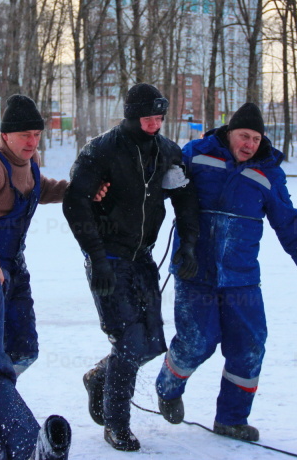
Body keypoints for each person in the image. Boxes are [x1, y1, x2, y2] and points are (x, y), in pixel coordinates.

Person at [154, 102, 297, 442]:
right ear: (229, 132)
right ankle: (169, 387)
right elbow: (163, 187)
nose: (248, 144)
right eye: (243, 136)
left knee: (249, 346)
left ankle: (231, 419)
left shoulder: (267, 172)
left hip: (242, 278)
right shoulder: (198, 154)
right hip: (194, 272)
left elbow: (290, 225)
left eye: (255, 138)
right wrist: (165, 182)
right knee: (195, 342)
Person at [62, 83, 199, 452]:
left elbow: (186, 201)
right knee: (128, 338)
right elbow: (75, 203)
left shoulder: (167, 153)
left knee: (152, 341)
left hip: (142, 256)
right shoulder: (102, 150)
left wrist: (187, 243)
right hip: (108, 254)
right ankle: (115, 423)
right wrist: (96, 256)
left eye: (159, 117)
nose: (154, 124)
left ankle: (98, 379)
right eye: (147, 117)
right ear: (131, 115)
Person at [0, 94, 84, 458]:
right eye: (24, 134)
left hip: (12, 263)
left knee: (23, 349)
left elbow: (38, 190)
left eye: (36, 134)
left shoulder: (29, 161)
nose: (32, 142)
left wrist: (78, 192)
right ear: (5, 134)